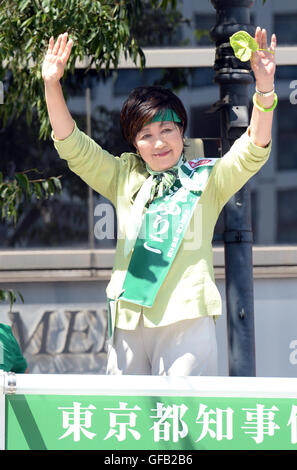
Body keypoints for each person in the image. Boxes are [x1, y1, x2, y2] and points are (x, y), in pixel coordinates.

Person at [42, 27, 277, 376]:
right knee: (126, 423)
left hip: (186, 316)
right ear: (135, 144)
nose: (159, 142)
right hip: (129, 318)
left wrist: (264, 88)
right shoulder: (123, 176)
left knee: (178, 422)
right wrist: (52, 84)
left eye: (167, 130)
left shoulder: (207, 178)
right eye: (146, 135)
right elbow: (73, 146)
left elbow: (253, 149)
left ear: (182, 131)